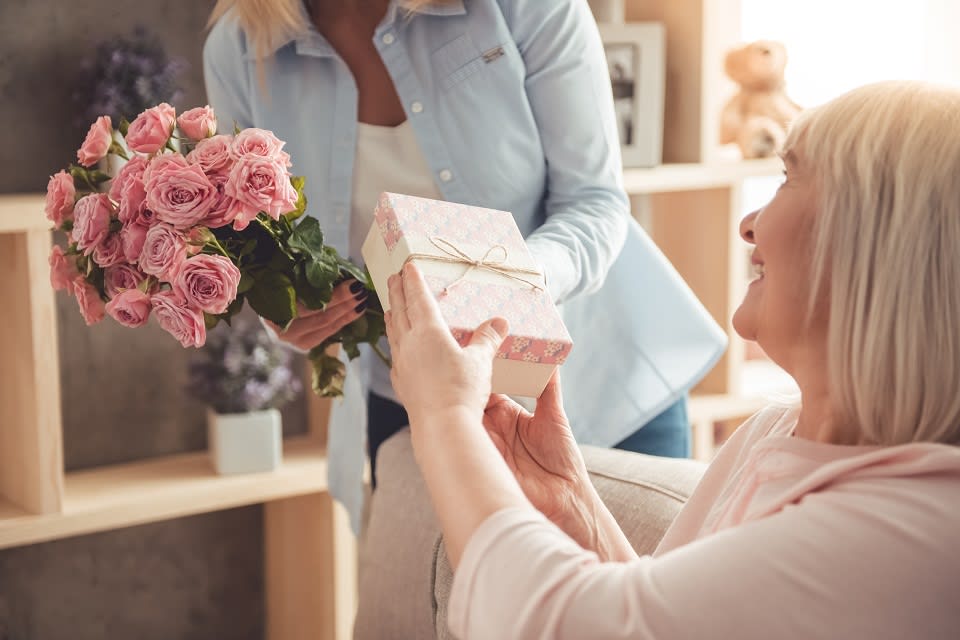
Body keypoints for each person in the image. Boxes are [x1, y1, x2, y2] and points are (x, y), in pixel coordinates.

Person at [384, 81, 960, 639]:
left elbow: (549, 624)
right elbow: (653, 622)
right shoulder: (775, 432)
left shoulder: (913, 527)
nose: (749, 223)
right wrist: (572, 504)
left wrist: (442, 412)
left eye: (788, 178)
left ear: (874, 241)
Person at [203, 0, 725, 527]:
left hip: (603, 391)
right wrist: (288, 309)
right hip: (414, 406)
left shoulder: (524, 7)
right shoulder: (241, 49)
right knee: (450, 607)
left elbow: (594, 202)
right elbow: (258, 241)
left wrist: (503, 285)